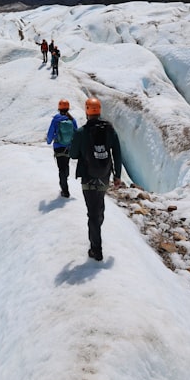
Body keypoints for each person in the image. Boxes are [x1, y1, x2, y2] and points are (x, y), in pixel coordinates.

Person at [69, 97, 122, 261]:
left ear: (87, 111)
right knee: (98, 208)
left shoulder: (81, 132)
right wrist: (117, 176)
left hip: (88, 177)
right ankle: (96, 234)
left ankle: (96, 249)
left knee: (92, 212)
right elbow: (117, 153)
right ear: (99, 110)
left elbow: (72, 154)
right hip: (104, 176)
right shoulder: (110, 130)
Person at [46, 99, 78, 197]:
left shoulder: (56, 119)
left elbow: (50, 133)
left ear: (59, 108)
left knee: (61, 169)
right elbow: (76, 133)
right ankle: (65, 178)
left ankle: (65, 190)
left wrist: (49, 141)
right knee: (66, 165)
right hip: (68, 147)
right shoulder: (72, 119)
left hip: (58, 147)